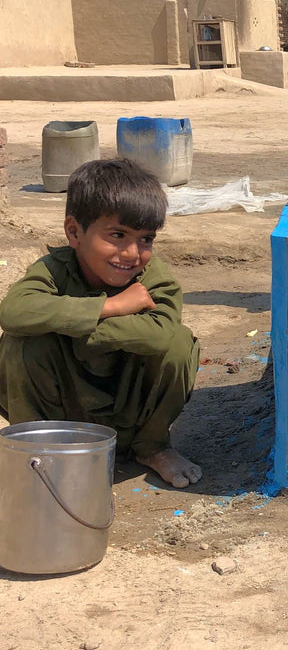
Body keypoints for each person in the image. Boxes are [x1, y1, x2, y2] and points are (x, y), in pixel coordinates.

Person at [0, 158, 201, 489]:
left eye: (146, 239)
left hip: (131, 413)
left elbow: (162, 333)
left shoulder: (152, 277)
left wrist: (83, 333)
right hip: (63, 416)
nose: (132, 253)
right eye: (118, 235)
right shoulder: (53, 269)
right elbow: (13, 312)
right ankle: (41, 456)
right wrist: (111, 306)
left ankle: (153, 448)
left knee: (180, 343)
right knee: (22, 341)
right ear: (74, 232)